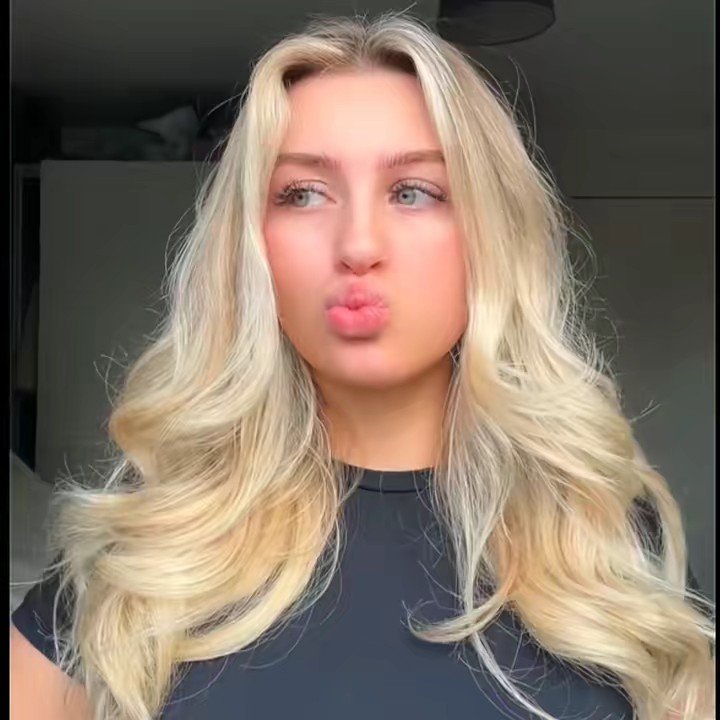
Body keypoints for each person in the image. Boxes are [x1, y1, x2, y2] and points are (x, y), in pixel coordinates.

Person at [10, 13, 715, 720]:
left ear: (490, 237)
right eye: (302, 193)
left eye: (414, 191)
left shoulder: (601, 536)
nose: (357, 245)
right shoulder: (151, 544)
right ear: (251, 244)